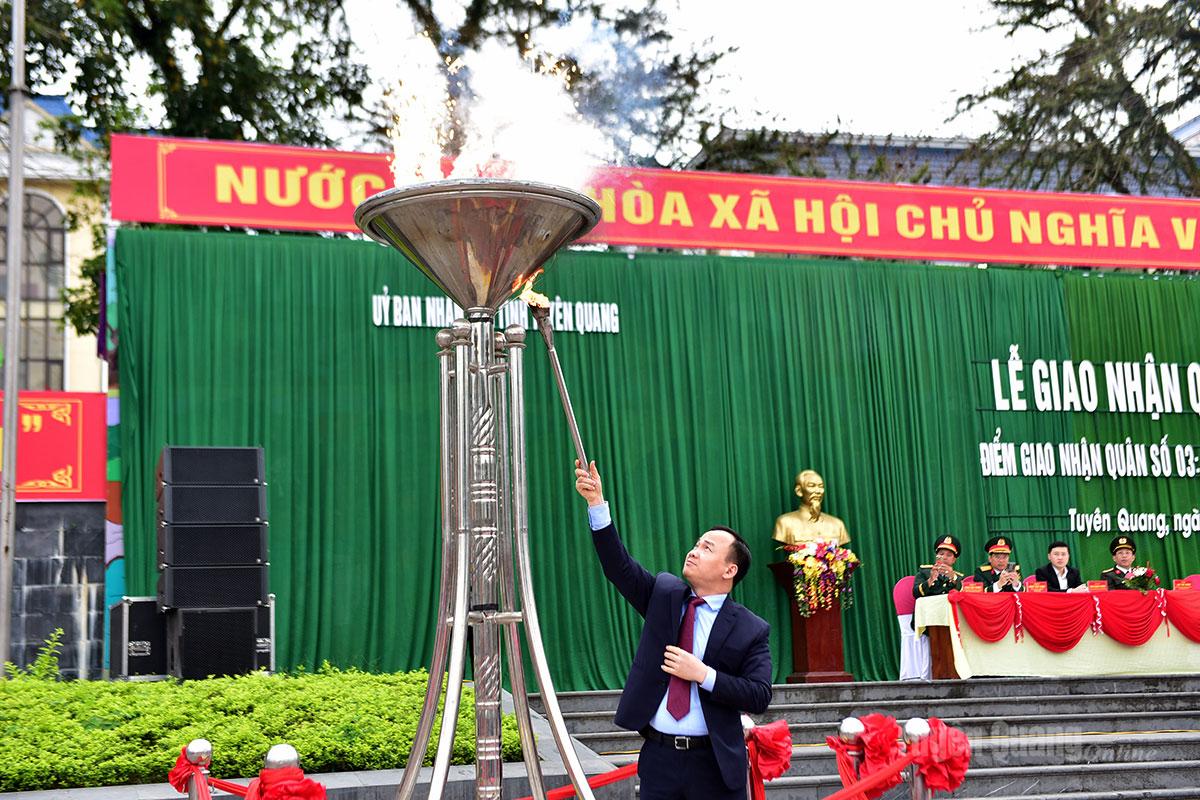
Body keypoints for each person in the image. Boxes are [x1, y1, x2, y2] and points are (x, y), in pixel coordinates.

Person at [575, 460, 772, 800]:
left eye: (707, 548)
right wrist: (596, 504)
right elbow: (619, 567)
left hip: (715, 766)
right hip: (660, 759)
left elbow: (759, 694)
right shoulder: (665, 596)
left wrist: (703, 674)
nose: (694, 551)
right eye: (696, 544)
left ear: (730, 570)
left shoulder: (750, 628)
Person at [772, 469, 850, 546]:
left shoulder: (837, 524)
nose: (818, 491)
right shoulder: (785, 522)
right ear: (799, 491)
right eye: (811, 486)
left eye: (821, 486)